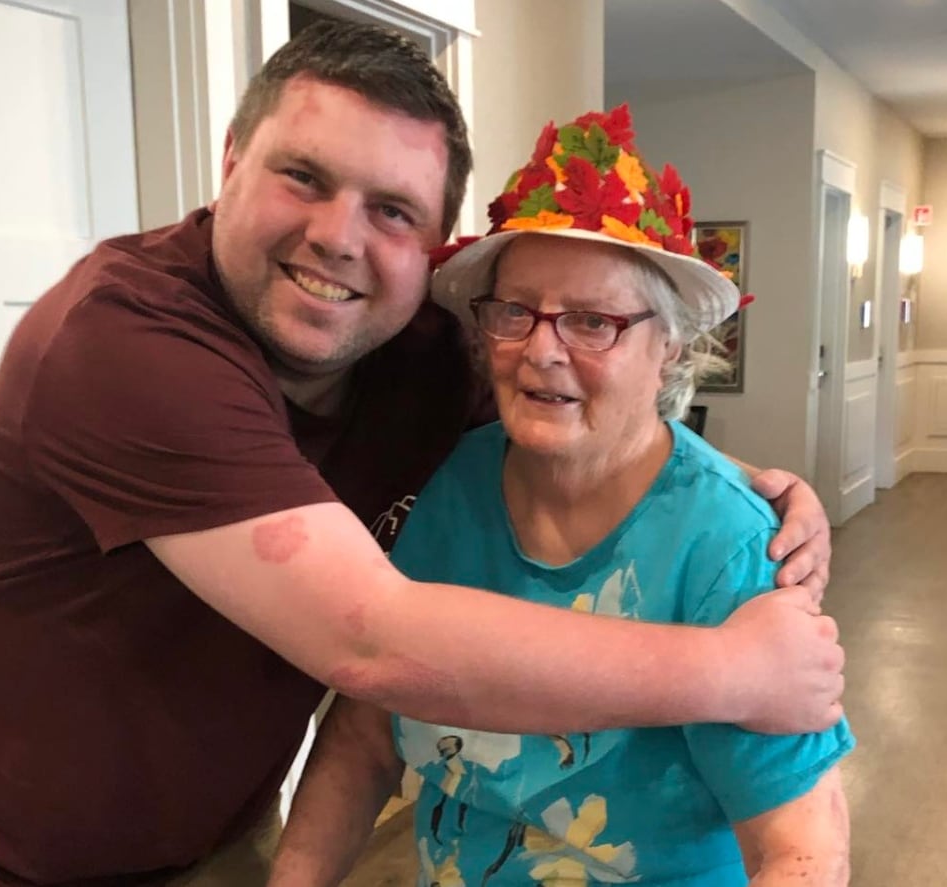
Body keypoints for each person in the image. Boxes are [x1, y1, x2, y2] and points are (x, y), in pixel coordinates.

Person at [0, 22, 841, 887]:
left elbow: (590, 413)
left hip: (215, 832)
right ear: (233, 155)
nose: (338, 238)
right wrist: (730, 667)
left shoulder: (420, 356)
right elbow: (372, 645)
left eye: (392, 209)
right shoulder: (126, 339)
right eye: (304, 176)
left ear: (429, 246)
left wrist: (747, 495)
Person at [265, 105, 852, 887]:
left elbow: (803, 852)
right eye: (516, 311)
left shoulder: (734, 549)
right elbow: (366, 737)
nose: (541, 350)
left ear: (668, 344)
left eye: (592, 321)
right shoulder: (447, 488)